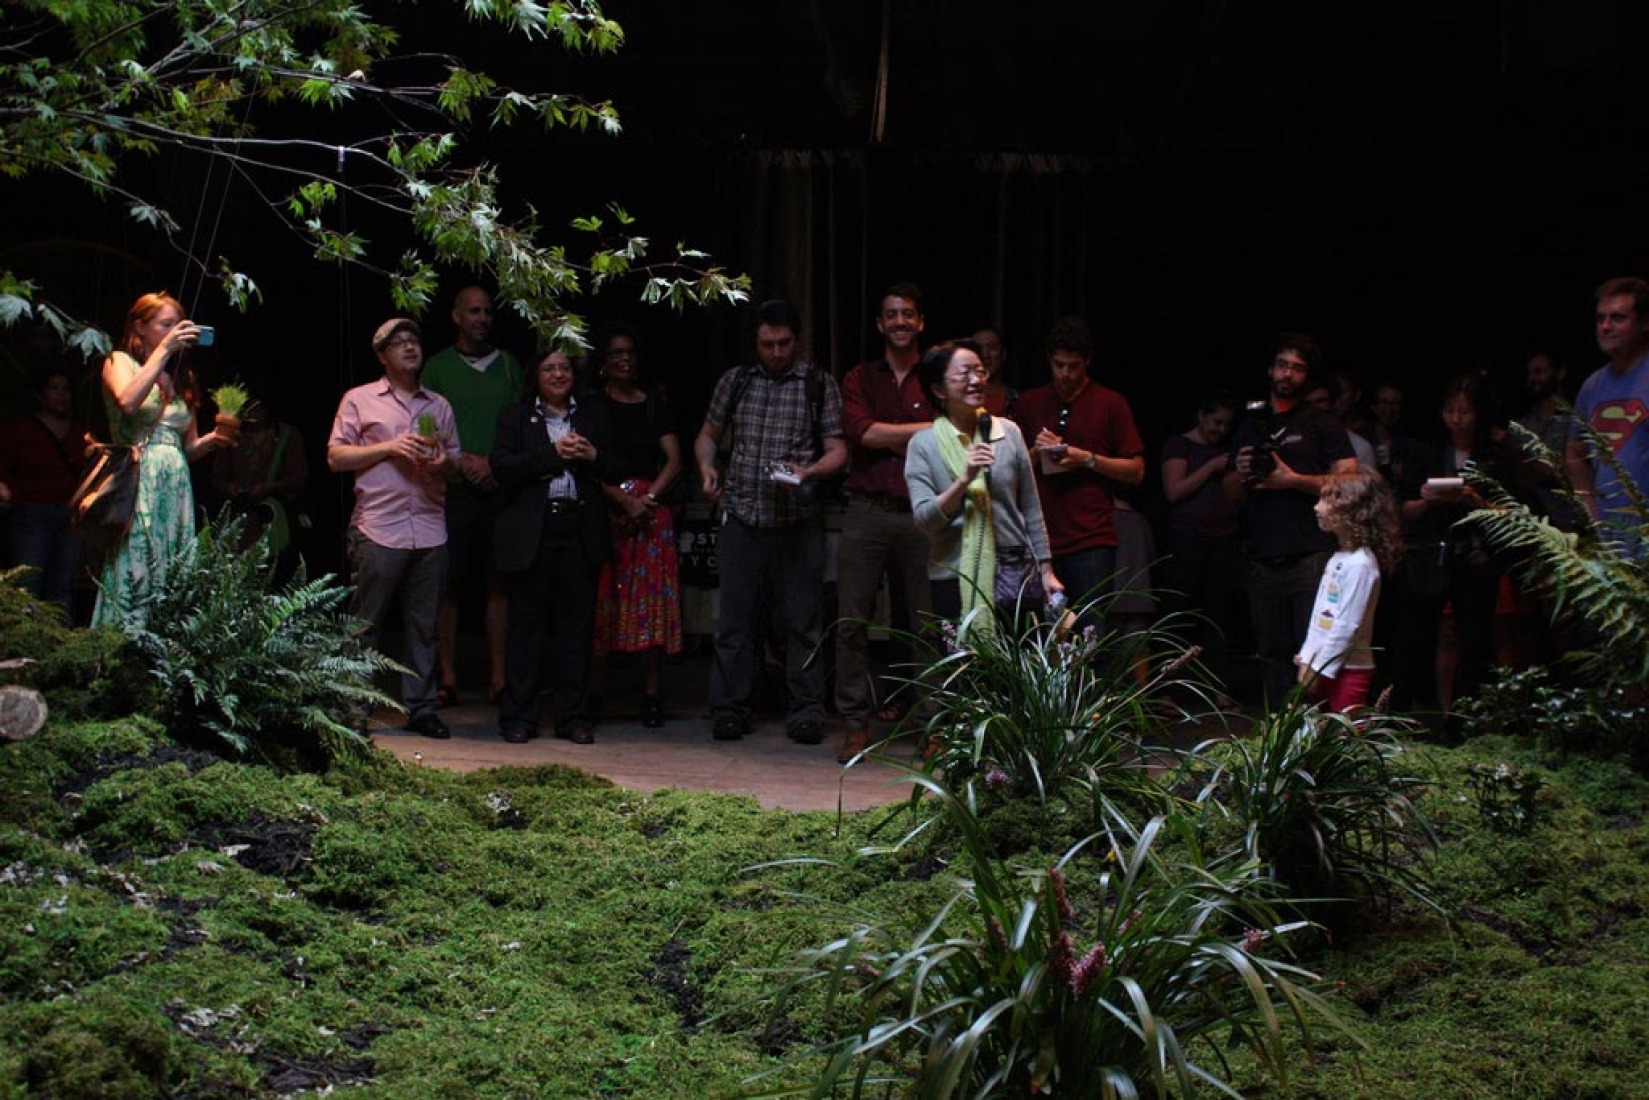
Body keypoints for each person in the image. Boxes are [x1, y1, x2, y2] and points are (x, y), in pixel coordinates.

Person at [692, 298, 847, 745]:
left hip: (798, 519)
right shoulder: (736, 382)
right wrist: (707, 466)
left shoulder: (818, 384)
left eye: (783, 343)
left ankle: (806, 710)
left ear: (796, 340)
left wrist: (811, 472)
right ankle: (729, 708)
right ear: (756, 343)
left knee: (803, 622)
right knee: (735, 621)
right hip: (742, 516)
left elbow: (838, 449)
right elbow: (708, 435)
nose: (776, 352)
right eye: (767, 344)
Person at [326, 317, 459, 739]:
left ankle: (420, 707)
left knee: (424, 624)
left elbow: (455, 461)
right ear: (382, 356)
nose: (409, 347)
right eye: (398, 343)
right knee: (366, 622)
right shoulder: (359, 399)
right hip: (379, 525)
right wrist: (388, 446)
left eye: (414, 341)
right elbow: (335, 458)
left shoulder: (438, 405)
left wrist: (443, 464)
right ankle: (354, 708)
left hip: (429, 524)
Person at [1223, 333, 1358, 706]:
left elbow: (1351, 482)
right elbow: (1230, 495)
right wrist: (1243, 471)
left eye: (1297, 368)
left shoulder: (1322, 422)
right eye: (1283, 365)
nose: (1288, 373)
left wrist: (1293, 480)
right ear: (1270, 369)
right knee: (1270, 655)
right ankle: (1278, 742)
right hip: (1262, 554)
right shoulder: (1251, 423)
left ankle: (1313, 740)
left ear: (1307, 377)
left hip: (1310, 554)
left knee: (1314, 653)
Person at [834, 283, 935, 763]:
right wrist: (924, 433)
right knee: (852, 620)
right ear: (880, 323)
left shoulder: (936, 375)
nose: (899, 322)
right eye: (891, 314)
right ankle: (856, 724)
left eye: (908, 315)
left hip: (923, 511)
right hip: (868, 509)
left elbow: (954, 434)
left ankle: (934, 726)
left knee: (928, 624)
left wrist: (894, 439)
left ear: (920, 322)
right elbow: (865, 434)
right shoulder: (859, 377)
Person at [92, 292, 236, 628]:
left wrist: (215, 440)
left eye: (179, 326)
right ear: (140, 327)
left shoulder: (183, 378)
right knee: (137, 558)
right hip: (138, 479)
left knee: (174, 564)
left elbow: (186, 447)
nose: (175, 332)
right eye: (166, 324)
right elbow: (128, 401)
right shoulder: (119, 362)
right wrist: (164, 351)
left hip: (176, 485)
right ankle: (121, 642)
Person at [491, 347, 612, 745]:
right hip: (534, 534)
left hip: (579, 530)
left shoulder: (593, 413)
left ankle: (573, 717)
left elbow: (620, 464)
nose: (559, 374)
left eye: (564, 367)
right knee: (527, 629)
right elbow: (503, 468)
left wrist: (593, 455)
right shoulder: (515, 415)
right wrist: (552, 455)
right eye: (549, 368)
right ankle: (519, 717)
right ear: (535, 376)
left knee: (575, 631)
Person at [905, 340, 1061, 627]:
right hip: (955, 575)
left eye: (980, 371)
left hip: (1015, 571)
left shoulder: (1009, 432)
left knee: (1018, 668)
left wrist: (1046, 568)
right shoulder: (923, 445)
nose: (976, 380)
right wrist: (965, 479)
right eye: (965, 374)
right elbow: (925, 519)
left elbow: (1030, 506)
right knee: (967, 669)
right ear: (939, 390)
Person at [421, 285, 522, 707]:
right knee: (450, 585)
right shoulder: (438, 368)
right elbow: (425, 429)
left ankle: (499, 676)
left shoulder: (510, 368)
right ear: (457, 316)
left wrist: (494, 465)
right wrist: (463, 463)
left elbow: (522, 425)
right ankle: (447, 675)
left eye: (487, 312)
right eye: (474, 311)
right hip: (454, 490)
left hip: (500, 488)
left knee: (500, 582)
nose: (482, 318)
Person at [1395, 372, 1516, 716]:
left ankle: (1468, 717)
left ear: (1478, 413)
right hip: (1431, 555)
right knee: (1421, 635)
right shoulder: (1429, 452)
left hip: (1476, 559)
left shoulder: (1494, 455)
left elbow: (1511, 514)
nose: (1456, 419)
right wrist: (1428, 499)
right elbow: (1405, 509)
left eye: (1464, 411)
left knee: (1475, 637)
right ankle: (1423, 711)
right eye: (1450, 410)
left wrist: (1475, 499)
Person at [1010, 316, 1144, 627]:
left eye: (1073, 366)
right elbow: (1007, 473)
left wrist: (1086, 458)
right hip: (1038, 539)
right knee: (1039, 637)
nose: (1066, 374)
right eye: (1058, 365)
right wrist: (1036, 452)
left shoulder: (1110, 403)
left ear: (1088, 362)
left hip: (1091, 538)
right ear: (1048, 360)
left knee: (1089, 637)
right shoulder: (1030, 403)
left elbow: (1136, 471)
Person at [590, 322, 684, 728]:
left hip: (650, 511)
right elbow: (586, 466)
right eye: (615, 354)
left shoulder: (653, 403)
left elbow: (674, 460)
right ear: (603, 363)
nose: (624, 360)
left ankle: (651, 693)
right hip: (608, 507)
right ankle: (595, 692)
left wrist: (647, 500)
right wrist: (623, 500)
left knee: (650, 602)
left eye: (629, 353)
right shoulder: (593, 407)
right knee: (603, 600)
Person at [1296, 470, 1402, 713]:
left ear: (1350, 509)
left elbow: (1347, 624)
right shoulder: (1339, 557)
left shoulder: (1361, 564)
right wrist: (1307, 655)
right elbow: (1321, 615)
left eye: (1325, 500)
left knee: (1346, 736)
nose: (1317, 507)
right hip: (1324, 665)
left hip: (1348, 669)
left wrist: (1318, 668)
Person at [1160, 389, 1243, 695]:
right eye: (1216, 422)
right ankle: (1168, 690)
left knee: (1219, 615)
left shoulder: (1229, 451)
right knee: (1177, 613)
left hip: (1222, 539)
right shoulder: (1180, 444)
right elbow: (1174, 491)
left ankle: (1218, 688)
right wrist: (1211, 467)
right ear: (1201, 416)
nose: (1221, 430)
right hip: (1187, 538)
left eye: (1226, 425)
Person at [1567, 276, 1649, 555]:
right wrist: (1591, 512)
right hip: (1611, 543)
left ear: (1643, 323)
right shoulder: (1592, 386)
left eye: (1617, 318)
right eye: (1601, 318)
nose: (1605, 326)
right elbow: (1574, 451)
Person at [0, 369, 89, 617]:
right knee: (28, 582)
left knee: (63, 586)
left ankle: (58, 647)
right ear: (41, 394)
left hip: (70, 514)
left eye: (66, 389)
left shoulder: (81, 433)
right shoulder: (20, 429)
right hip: (31, 513)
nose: (61, 395)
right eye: (54, 388)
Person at [206, 405, 309, 580]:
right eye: (249, 405)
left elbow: (297, 479)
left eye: (259, 406)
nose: (254, 412)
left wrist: (268, 487)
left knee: (273, 574)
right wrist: (232, 487)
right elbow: (217, 477)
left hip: (275, 520)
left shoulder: (285, 436)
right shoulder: (232, 435)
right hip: (238, 519)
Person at [972, 324, 1018, 415]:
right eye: (978, 349)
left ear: (1003, 354)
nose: (985, 355)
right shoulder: (956, 400)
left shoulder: (1016, 400)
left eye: (992, 347)